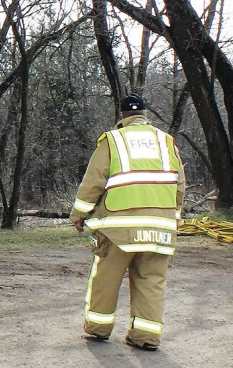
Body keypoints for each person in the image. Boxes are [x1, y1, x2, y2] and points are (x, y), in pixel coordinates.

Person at [69, 93, 186, 351]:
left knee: (106, 278)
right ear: (145, 115)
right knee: (151, 281)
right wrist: (172, 219)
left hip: (118, 229)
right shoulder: (167, 142)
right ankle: (146, 337)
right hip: (160, 230)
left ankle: (98, 328)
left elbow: (93, 182)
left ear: (121, 116)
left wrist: (79, 215)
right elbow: (179, 187)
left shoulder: (112, 141)